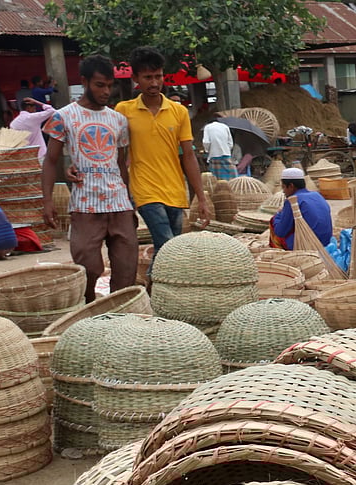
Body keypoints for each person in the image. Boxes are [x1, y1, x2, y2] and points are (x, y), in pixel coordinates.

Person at [41, 54, 137, 303]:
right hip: (85, 205)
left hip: (119, 204)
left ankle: (121, 315)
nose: (106, 91)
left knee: (127, 268)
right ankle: (89, 308)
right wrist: (48, 201)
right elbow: (51, 161)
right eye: (99, 85)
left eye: (110, 85)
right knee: (88, 267)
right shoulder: (64, 117)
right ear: (84, 82)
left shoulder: (118, 120)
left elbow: (120, 163)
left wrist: (129, 199)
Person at [115, 46, 210, 254]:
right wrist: (122, 194)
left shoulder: (179, 111)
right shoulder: (123, 110)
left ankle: (153, 283)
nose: (155, 83)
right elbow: (118, 157)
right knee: (168, 246)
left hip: (175, 190)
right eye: (148, 77)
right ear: (135, 78)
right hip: (145, 191)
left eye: (158, 76)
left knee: (170, 249)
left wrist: (201, 198)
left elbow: (189, 156)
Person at [270, 167, 332, 250]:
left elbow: (280, 232)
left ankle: (282, 253)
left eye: (284, 187)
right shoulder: (317, 195)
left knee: (273, 222)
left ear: (291, 186)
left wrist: (277, 215)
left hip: (308, 245)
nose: (283, 191)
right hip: (326, 242)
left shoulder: (292, 200)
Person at [201, 110, 237, 180]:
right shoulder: (225, 126)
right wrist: (226, 149)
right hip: (226, 155)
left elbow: (206, 142)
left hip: (214, 156)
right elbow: (230, 143)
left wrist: (207, 150)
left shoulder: (207, 127)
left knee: (217, 178)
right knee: (229, 176)